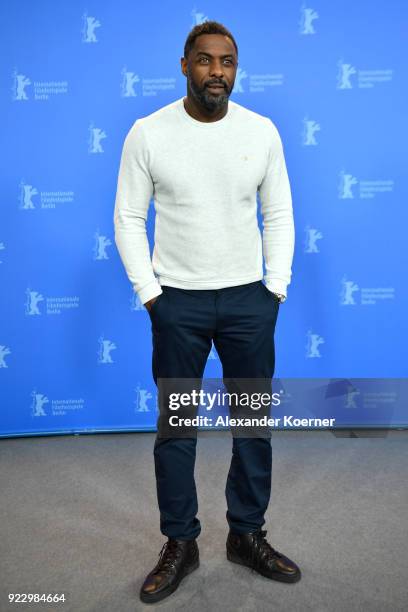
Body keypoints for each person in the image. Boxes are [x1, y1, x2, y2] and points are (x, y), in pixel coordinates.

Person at [114, 20, 301, 605]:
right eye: (204, 60)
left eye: (227, 62)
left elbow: (279, 214)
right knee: (176, 431)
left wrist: (275, 291)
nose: (216, 71)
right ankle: (181, 543)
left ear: (235, 69)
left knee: (252, 426)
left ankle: (246, 535)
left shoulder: (263, 131)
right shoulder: (148, 133)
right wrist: (151, 295)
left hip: (249, 301)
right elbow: (127, 218)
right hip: (178, 305)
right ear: (184, 64)